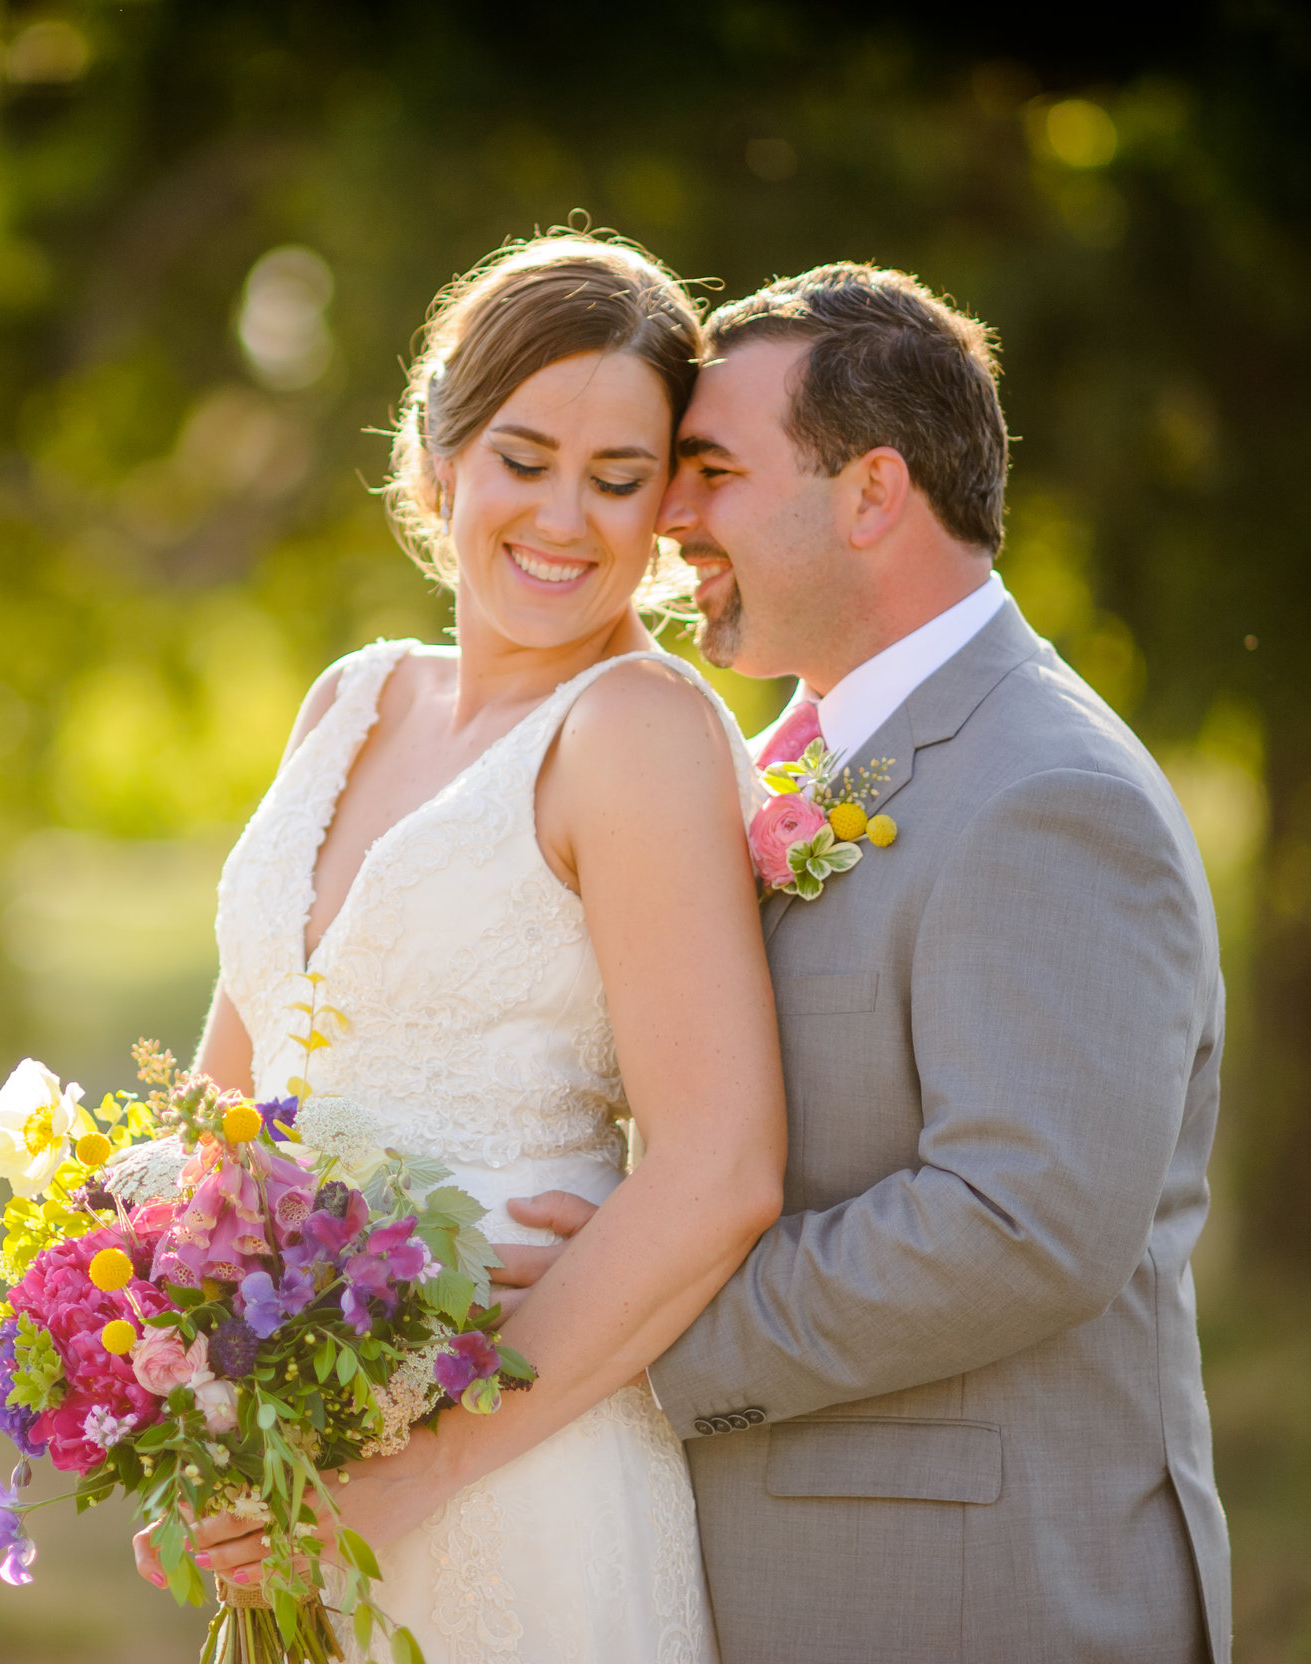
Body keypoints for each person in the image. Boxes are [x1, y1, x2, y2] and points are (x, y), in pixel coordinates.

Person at [494, 264, 1235, 1662]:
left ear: (872, 492)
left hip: (965, 1596)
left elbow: (1020, 1223)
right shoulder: (781, 759)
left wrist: (641, 1326)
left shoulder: (1046, 794)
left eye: (711, 470)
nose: (670, 515)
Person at [131, 233, 786, 1662]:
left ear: (666, 508)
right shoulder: (352, 700)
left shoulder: (637, 735)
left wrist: (408, 1476)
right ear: (438, 458)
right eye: (524, 457)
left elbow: (720, 1167)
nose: (565, 518)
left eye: (619, 480)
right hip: (301, 1468)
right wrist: (192, 1431)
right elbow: (226, 1127)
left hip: (516, 1483)